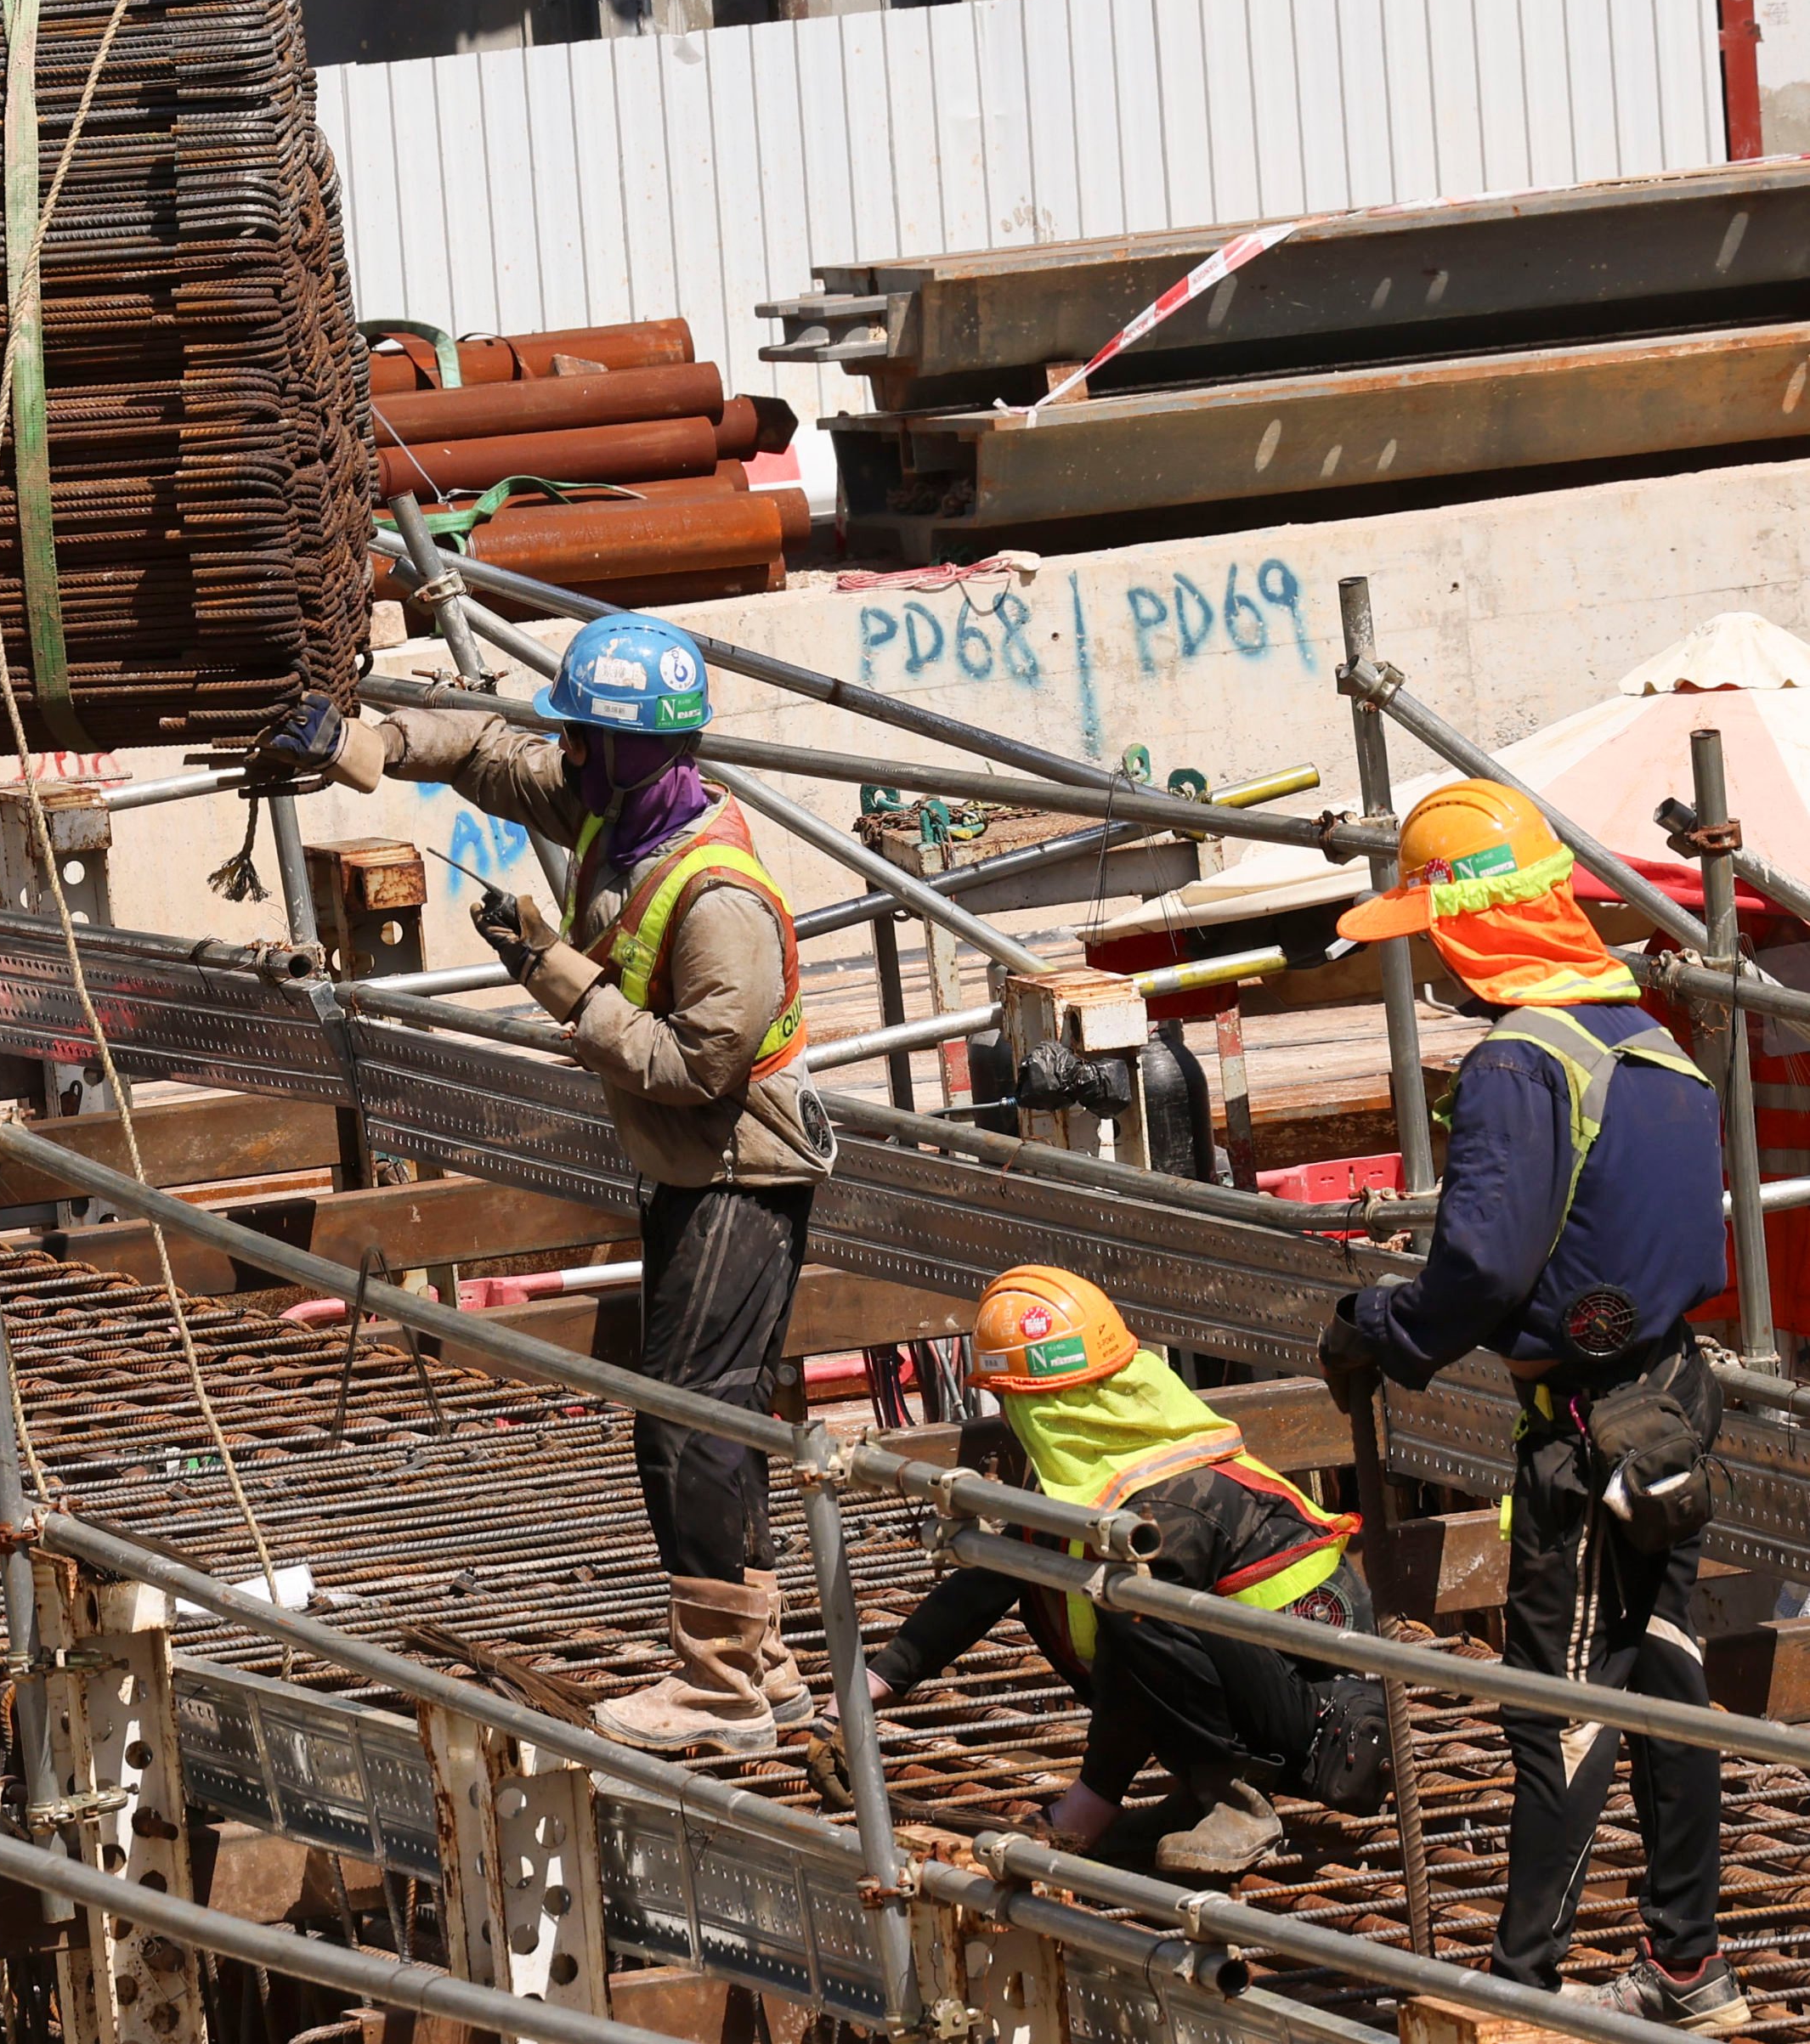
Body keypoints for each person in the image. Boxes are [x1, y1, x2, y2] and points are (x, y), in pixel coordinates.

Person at [256, 616, 835, 1752]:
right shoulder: (611, 799)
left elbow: (691, 1068)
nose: (564, 748)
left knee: (688, 1426)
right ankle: (758, 1665)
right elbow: (482, 754)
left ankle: (718, 1683)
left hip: (735, 1171)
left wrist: (552, 973)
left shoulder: (716, 894)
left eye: (584, 734)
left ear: (642, 746)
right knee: (696, 1415)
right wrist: (360, 744)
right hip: (691, 1173)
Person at [1317, 778, 1743, 2030]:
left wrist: (1375, 1330)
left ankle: (1519, 1989)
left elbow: (1482, 1268)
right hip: (1666, 1400)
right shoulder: (1645, 1035)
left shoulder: (1517, 1061)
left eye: (1433, 935)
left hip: (1572, 1431)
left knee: (1554, 1703)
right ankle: (1686, 1966)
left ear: (1473, 925)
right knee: (1663, 1679)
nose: (1434, 965)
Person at [868, 1267, 1380, 1876]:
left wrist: (1090, 1801)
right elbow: (996, 1570)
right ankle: (1200, 1790)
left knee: (1133, 1607)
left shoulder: (1166, 1501)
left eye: (1011, 1400)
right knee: (1100, 1593)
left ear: (1043, 1404)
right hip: (1276, 1697)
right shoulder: (1108, 1466)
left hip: (1337, 1732)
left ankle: (1234, 1801)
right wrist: (873, 1685)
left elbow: (1136, 1661)